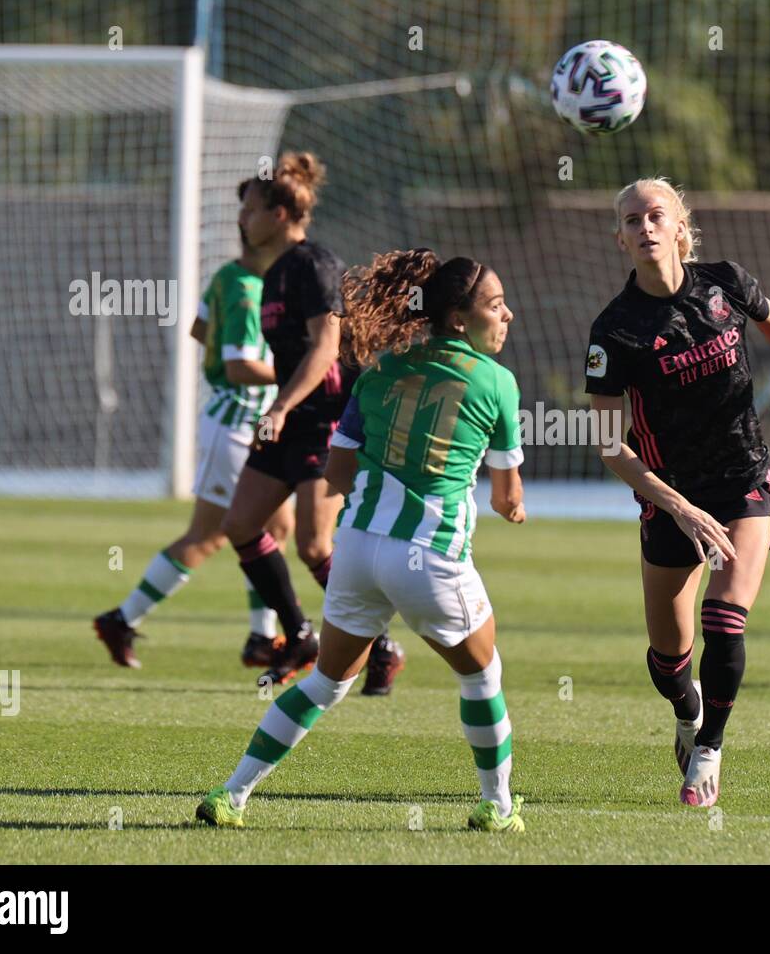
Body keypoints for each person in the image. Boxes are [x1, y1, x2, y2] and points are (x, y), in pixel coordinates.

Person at [196, 248, 527, 832]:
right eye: (496, 306)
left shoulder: (381, 367)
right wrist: (508, 506)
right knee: (482, 677)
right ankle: (498, 807)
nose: (507, 316)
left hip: (356, 550)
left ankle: (231, 795)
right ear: (458, 319)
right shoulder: (497, 382)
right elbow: (506, 498)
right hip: (430, 557)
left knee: (326, 682)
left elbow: (337, 473)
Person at [585, 177, 770, 807]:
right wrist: (678, 509)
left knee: (725, 616)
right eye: (632, 220)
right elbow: (608, 444)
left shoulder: (725, 282)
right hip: (670, 500)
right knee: (667, 663)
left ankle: (707, 749)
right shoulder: (615, 332)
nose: (646, 227)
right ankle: (688, 714)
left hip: (743, 483)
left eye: (657, 215)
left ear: (682, 226)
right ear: (621, 238)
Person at [220, 151, 406, 690]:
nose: (242, 220)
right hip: (292, 416)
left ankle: (381, 648)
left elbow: (327, 347)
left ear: (280, 214)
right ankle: (299, 633)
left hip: (326, 418)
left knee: (315, 545)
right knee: (240, 525)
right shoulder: (273, 273)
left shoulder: (314, 264)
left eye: (250, 210)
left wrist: (279, 406)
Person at [93, 181, 294, 670]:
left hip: (243, 419)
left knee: (274, 527)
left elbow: (199, 329)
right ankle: (123, 618)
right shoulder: (248, 292)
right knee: (210, 536)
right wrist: (297, 367)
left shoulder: (228, 276)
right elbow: (242, 367)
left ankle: (260, 637)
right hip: (237, 420)